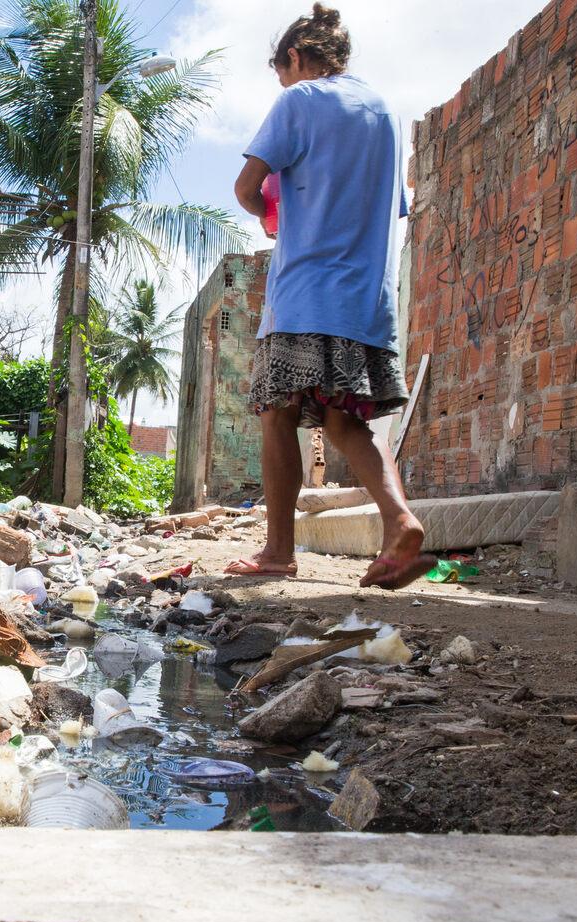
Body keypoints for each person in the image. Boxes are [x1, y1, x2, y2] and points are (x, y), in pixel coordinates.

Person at [226, 3, 434, 590]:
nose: (285, 84)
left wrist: (270, 210)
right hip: (365, 299)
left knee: (277, 414)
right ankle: (399, 522)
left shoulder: (300, 101)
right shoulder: (384, 113)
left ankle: (276, 553)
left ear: (296, 57)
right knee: (346, 425)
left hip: (305, 292)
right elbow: (383, 205)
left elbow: (246, 188)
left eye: (283, 71)